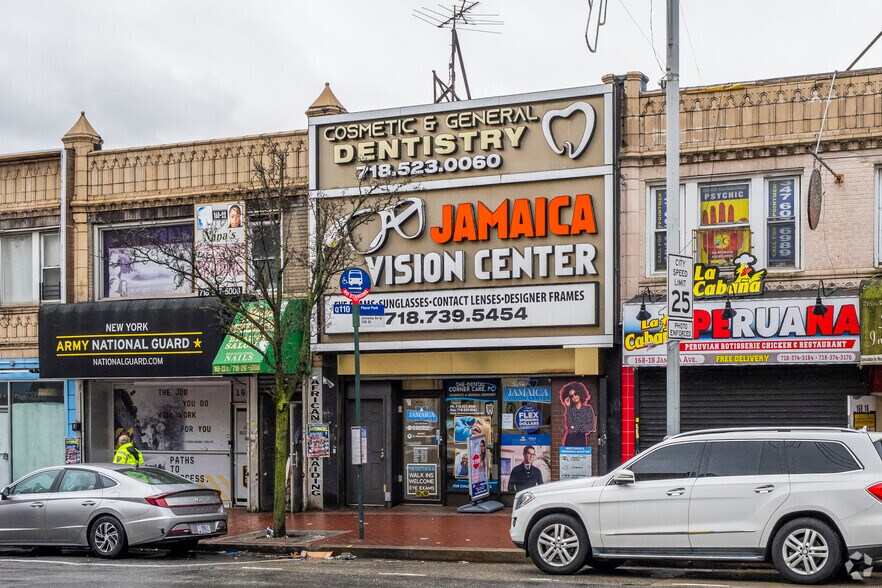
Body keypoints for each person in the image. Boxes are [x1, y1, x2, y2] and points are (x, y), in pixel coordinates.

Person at [560, 382, 596, 447]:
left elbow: (590, 427)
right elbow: (569, 424)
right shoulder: (570, 409)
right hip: (570, 438)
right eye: (571, 396)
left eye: (575, 394)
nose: (574, 397)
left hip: (581, 439)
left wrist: (576, 428)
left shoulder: (588, 409)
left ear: (580, 393)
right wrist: (568, 406)